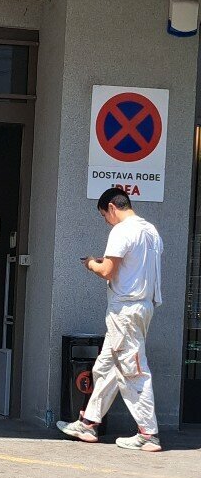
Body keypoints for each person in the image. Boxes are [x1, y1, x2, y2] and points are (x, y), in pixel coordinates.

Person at [57, 187, 163, 451]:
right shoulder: (151, 231)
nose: (106, 220)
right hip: (142, 306)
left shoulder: (121, 230)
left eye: (104, 215)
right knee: (106, 367)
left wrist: (91, 263)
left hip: (125, 311)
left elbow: (106, 271)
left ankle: (148, 434)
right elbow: (132, 266)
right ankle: (88, 423)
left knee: (132, 369)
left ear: (112, 208)